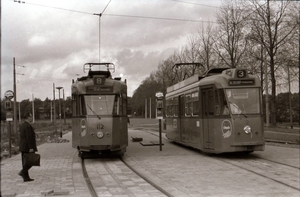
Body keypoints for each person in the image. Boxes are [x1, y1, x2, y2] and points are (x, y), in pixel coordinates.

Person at [18, 112, 38, 182]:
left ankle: (26, 177)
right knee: (31, 161)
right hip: (27, 147)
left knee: (25, 162)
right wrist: (31, 147)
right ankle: (23, 172)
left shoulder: (22, 125)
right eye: (31, 116)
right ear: (28, 117)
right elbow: (29, 137)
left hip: (23, 147)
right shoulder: (28, 126)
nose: (32, 117)